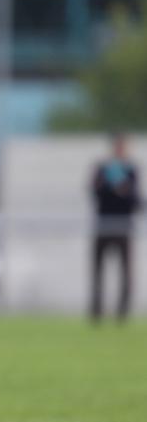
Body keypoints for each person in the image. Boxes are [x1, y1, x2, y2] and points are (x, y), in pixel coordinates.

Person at [90, 133, 140, 322]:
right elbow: (95, 192)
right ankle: (97, 311)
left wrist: (124, 190)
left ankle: (122, 313)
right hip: (103, 225)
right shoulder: (103, 169)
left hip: (123, 226)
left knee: (125, 271)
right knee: (98, 271)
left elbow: (135, 199)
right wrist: (111, 188)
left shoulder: (131, 170)